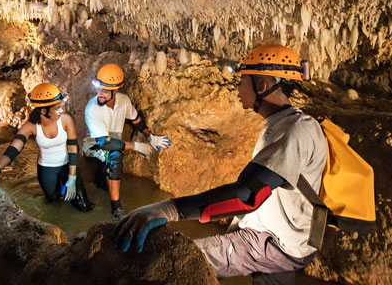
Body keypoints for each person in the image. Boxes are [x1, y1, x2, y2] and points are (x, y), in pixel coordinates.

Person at [112, 44, 327, 284]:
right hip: (288, 237)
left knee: (179, 262)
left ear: (261, 86)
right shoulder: (287, 123)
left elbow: (247, 195)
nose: (238, 88)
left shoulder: (293, 131)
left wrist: (169, 209)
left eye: (242, 80)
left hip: (274, 243)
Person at [0, 82, 93, 212]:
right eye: (57, 108)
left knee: (83, 206)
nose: (61, 110)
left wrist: (72, 177)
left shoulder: (66, 119)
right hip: (46, 170)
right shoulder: (31, 126)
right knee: (54, 205)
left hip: (68, 166)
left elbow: (73, 148)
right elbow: (14, 149)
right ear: (44, 111)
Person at [83, 63, 171, 219]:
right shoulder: (92, 108)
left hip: (112, 142)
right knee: (115, 157)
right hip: (94, 145)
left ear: (116, 90)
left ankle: (102, 180)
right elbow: (104, 143)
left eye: (104, 91)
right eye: (98, 89)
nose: (99, 94)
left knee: (107, 173)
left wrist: (150, 136)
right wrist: (136, 146)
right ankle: (116, 208)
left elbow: (136, 120)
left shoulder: (123, 101)